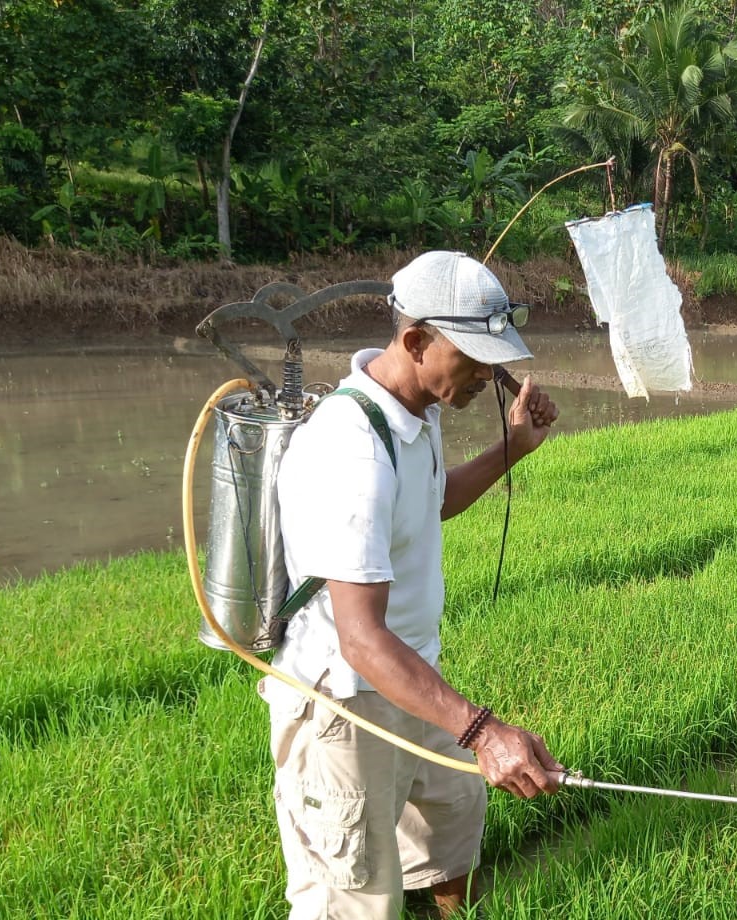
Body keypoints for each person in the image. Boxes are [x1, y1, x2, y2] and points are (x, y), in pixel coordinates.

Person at [261, 250, 564, 919]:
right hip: (345, 703)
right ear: (417, 339)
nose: (491, 374)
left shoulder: (414, 409)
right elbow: (361, 639)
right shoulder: (352, 447)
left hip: (409, 677)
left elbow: (432, 501)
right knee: (355, 897)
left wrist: (512, 448)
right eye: (476, 356)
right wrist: (483, 731)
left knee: (454, 826)